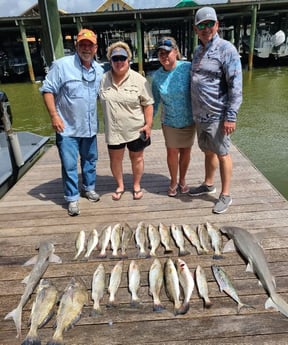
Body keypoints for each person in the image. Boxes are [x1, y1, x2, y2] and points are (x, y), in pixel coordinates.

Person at [40, 28, 104, 216]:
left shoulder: (99, 70)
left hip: (90, 127)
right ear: (76, 46)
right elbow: (47, 90)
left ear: (95, 48)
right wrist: (54, 115)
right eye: (82, 44)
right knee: (69, 165)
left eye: (89, 45)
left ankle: (89, 187)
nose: (86, 48)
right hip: (67, 127)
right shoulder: (61, 65)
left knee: (90, 160)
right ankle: (72, 198)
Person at [189, 7, 243, 214]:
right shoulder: (197, 50)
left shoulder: (226, 49)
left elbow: (235, 85)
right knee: (208, 151)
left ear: (217, 25)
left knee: (222, 153)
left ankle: (225, 195)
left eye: (210, 23)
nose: (206, 28)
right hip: (200, 115)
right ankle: (208, 184)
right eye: (201, 25)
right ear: (196, 29)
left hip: (218, 114)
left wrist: (231, 116)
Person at [99, 41, 154, 201]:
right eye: (115, 59)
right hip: (114, 131)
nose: (119, 62)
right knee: (115, 160)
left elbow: (148, 103)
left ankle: (136, 185)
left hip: (136, 129)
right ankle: (120, 185)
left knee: (137, 158)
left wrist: (148, 125)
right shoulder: (102, 80)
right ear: (110, 61)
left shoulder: (139, 79)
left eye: (122, 58)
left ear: (128, 59)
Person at [151, 37, 195, 197]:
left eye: (167, 52)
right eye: (160, 53)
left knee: (186, 151)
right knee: (172, 151)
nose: (164, 56)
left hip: (189, 119)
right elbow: (154, 102)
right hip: (169, 120)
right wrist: (147, 123)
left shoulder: (189, 67)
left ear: (176, 52)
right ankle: (173, 181)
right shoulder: (156, 76)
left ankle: (182, 180)